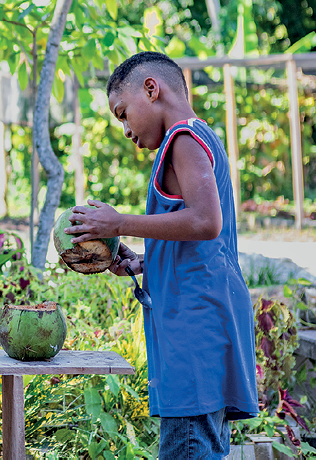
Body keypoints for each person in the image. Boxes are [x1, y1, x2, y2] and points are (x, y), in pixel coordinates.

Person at [64, 51, 258, 459]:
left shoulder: (183, 139)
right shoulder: (197, 135)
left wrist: (117, 224)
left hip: (196, 331)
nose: (125, 129)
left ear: (151, 89)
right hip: (203, 324)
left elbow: (207, 221)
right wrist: (143, 262)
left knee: (189, 448)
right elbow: (196, 240)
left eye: (122, 113)